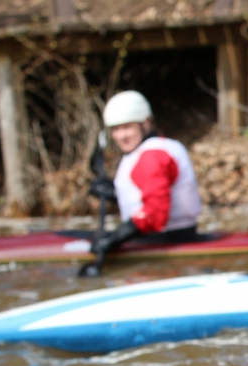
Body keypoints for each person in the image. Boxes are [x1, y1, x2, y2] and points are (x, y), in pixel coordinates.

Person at [79, 90, 202, 277]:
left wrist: (114, 239)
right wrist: (113, 192)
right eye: (116, 129)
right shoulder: (157, 147)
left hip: (165, 240)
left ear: (145, 124)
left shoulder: (151, 156)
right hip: (164, 235)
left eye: (127, 127)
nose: (121, 135)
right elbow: (145, 193)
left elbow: (154, 214)